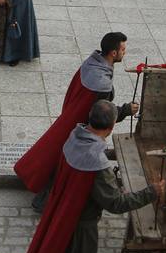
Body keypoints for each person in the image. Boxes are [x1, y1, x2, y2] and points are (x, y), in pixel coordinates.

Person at [8, 100, 162, 253]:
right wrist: (152, 192)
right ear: (111, 126)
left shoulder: (73, 137)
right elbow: (115, 204)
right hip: (82, 229)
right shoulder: (96, 163)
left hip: (60, 213)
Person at [14, 33, 137, 201]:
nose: (125, 52)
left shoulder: (93, 62)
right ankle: (45, 201)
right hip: (80, 126)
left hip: (71, 116)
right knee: (61, 166)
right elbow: (101, 113)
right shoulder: (101, 82)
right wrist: (126, 110)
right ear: (113, 53)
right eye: (123, 49)